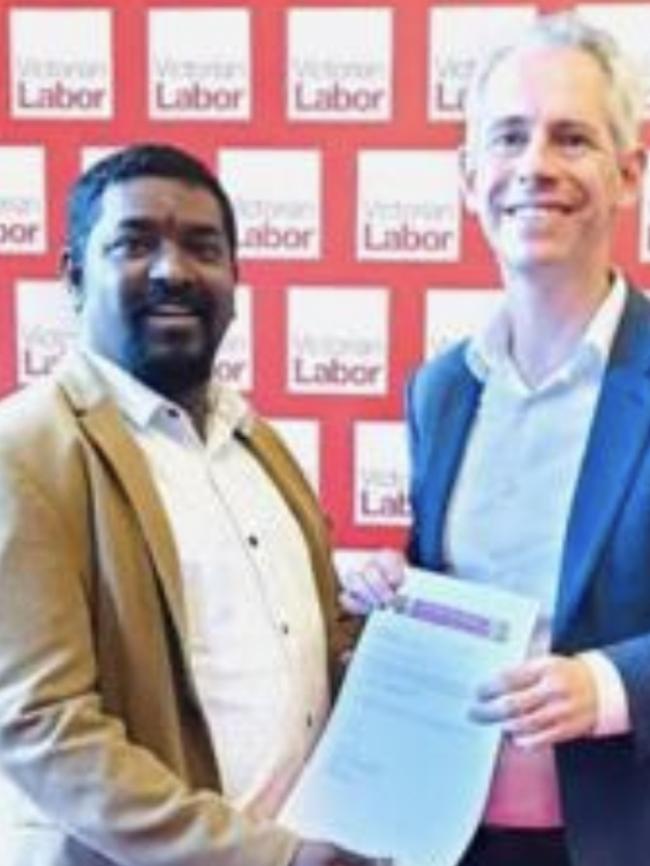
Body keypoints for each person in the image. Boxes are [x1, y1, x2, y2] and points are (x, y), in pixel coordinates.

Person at [340, 11, 650, 866]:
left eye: (572, 138)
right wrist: (396, 592)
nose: (535, 167)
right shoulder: (439, 391)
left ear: (628, 174)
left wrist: (609, 684)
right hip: (451, 833)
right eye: (509, 138)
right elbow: (455, 595)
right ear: (471, 175)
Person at [0, 143, 361, 866]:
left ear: (233, 279)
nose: (173, 271)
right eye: (134, 244)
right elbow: (45, 726)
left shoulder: (259, 445)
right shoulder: (24, 452)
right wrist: (266, 858)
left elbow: (320, 646)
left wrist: (414, 641)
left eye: (203, 247)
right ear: (74, 278)